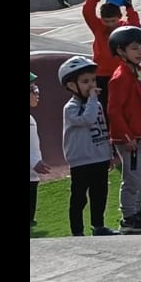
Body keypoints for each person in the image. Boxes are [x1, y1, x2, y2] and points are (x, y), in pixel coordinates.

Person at [106, 25, 141, 233]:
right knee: (132, 177)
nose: (140, 52)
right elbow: (114, 111)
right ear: (120, 51)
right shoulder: (120, 77)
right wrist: (127, 136)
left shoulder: (138, 72)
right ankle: (128, 217)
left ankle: (136, 209)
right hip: (132, 136)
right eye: (135, 48)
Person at [59, 56, 117, 237]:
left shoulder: (96, 104)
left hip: (99, 157)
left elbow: (101, 127)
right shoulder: (71, 108)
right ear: (71, 86)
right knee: (79, 198)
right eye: (85, 82)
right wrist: (92, 99)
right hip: (81, 161)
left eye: (93, 80)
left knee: (99, 194)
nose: (91, 85)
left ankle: (98, 226)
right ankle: (77, 232)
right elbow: (87, 119)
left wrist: (109, 154)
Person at [81, 0, 141, 101]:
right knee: (104, 106)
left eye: (113, 21)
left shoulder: (125, 28)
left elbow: (136, 28)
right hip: (101, 75)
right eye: (106, 21)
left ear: (119, 17)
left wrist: (129, 7)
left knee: (122, 104)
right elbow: (87, 10)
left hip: (122, 74)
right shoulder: (98, 27)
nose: (110, 24)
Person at [30, 72, 50, 230]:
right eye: (32, 89)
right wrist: (33, 162)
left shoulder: (31, 119)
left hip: (32, 175)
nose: (37, 93)